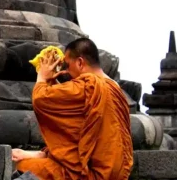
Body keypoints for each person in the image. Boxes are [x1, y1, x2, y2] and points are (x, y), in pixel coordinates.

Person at [12, 38, 133, 180]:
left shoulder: (91, 85)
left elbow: (41, 99)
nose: (67, 72)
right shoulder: (115, 89)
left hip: (91, 174)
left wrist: (42, 76)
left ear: (80, 62)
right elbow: (80, 128)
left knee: (25, 167)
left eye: (68, 66)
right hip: (117, 173)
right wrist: (40, 153)